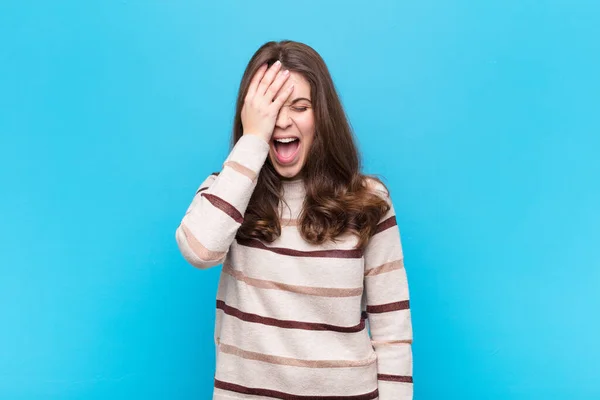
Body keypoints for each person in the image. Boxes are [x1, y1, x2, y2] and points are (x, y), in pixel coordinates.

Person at [175, 40, 413, 400]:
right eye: (269, 111)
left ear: (322, 115)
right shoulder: (226, 192)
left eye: (300, 107)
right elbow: (200, 251)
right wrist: (253, 140)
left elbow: (392, 331)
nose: (283, 121)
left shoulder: (369, 201)